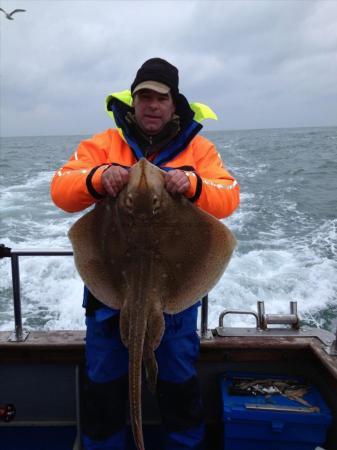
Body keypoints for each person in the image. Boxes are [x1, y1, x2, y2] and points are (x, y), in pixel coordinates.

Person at [51, 58, 240, 450]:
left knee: (177, 382)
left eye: (161, 98)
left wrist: (190, 183)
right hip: (109, 292)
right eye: (144, 97)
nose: (152, 105)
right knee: (104, 386)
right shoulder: (104, 144)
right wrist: (98, 178)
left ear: (175, 104)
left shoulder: (199, 149)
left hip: (174, 296)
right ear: (133, 103)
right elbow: (61, 188)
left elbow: (228, 196)